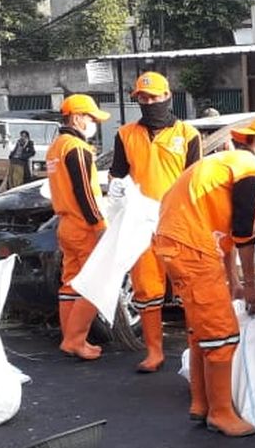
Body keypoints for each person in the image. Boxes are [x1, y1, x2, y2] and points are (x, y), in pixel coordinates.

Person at [151, 115, 255, 437]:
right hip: (192, 248)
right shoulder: (249, 167)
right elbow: (244, 233)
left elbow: (226, 233)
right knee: (222, 332)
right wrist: (253, 286)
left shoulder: (222, 163)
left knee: (204, 330)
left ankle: (201, 404)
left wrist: (234, 282)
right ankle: (220, 413)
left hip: (180, 244)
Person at [109, 71, 202, 373]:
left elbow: (196, 180)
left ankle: (197, 350)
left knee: (188, 288)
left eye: (154, 97)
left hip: (177, 223)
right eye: (142, 98)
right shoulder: (125, 134)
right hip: (140, 222)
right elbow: (118, 174)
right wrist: (115, 187)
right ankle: (154, 352)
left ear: (167, 96)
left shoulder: (188, 135)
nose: (149, 103)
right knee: (147, 289)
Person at [49, 94, 111, 360]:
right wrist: (98, 224)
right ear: (77, 118)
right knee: (94, 283)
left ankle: (70, 338)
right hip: (83, 225)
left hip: (66, 224)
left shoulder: (56, 147)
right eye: (92, 117)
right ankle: (75, 341)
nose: (95, 123)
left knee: (71, 283)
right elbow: (85, 192)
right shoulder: (77, 148)